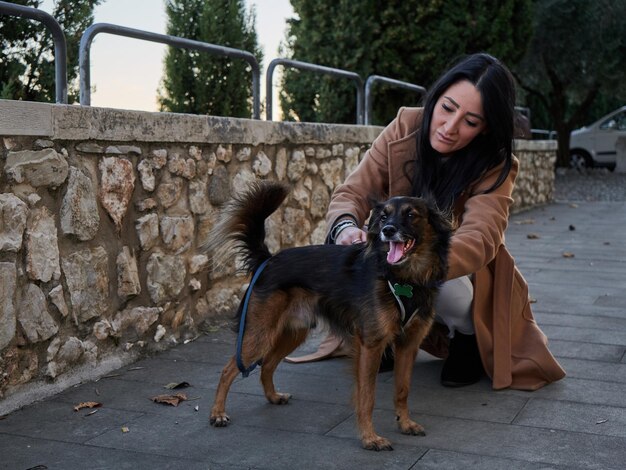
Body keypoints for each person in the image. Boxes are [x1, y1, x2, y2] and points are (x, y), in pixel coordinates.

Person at [286, 53, 565, 391]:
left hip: (454, 271)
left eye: (470, 121)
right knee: (361, 257)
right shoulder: (405, 125)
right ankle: (385, 331)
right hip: (392, 255)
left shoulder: (496, 164)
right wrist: (345, 227)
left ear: (486, 126)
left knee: (445, 287)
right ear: (435, 99)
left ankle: (467, 337)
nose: (450, 127)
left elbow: (482, 236)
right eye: (447, 108)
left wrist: (418, 262)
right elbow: (352, 193)